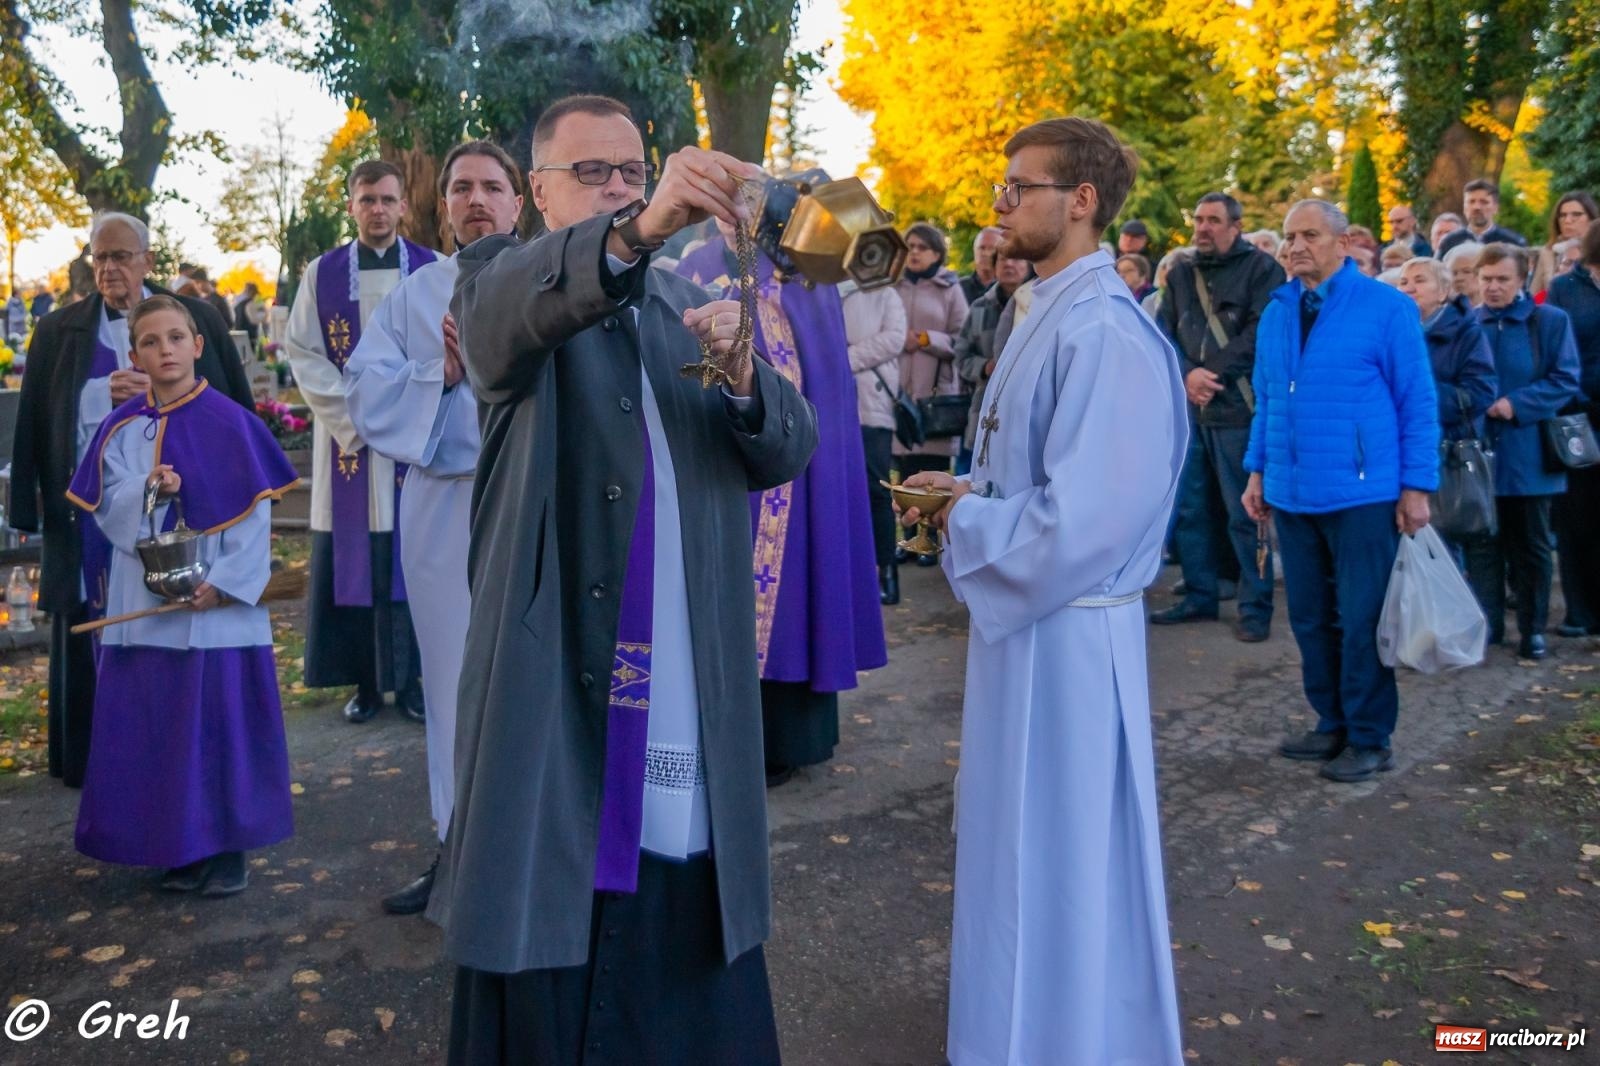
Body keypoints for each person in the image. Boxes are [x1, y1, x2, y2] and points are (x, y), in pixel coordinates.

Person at [432, 94, 816, 1063]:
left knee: (685, 886)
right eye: (591, 174)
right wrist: (636, 229)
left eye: (631, 173)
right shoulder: (497, 280)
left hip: (690, 671)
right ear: (536, 192)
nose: (618, 188)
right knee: (556, 887)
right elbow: (496, 332)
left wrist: (741, 376)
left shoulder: (679, 308)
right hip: (561, 671)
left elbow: (786, 451)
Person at [901, 116, 1185, 1066]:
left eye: (1019, 187)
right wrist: (968, 491)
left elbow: (1087, 517)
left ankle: (1076, 1041)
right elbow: (1036, 476)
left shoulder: (1102, 326)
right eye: (1002, 189)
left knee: (1064, 860)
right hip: (1030, 628)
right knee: (1013, 849)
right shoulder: (1047, 308)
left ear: (1083, 201)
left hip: (1072, 639)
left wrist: (966, 523)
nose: (1001, 204)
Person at [65, 295, 298, 896]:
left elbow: (252, 523)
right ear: (135, 354)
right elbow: (110, 515)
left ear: (197, 345)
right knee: (160, 731)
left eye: (175, 338)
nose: (164, 350)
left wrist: (226, 588)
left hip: (216, 614)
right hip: (144, 614)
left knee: (216, 727)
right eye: (150, 341)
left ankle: (226, 853)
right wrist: (152, 490)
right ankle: (177, 846)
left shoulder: (233, 425)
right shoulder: (121, 430)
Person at [11, 212, 252, 790]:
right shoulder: (61, 331)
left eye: (121, 256)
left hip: (181, 513)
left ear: (148, 259)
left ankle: (162, 764)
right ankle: (92, 760)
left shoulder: (191, 321)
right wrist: (99, 397)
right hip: (91, 515)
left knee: (166, 645)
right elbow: (40, 423)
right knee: (92, 624)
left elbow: (231, 408)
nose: (110, 269)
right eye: (100, 258)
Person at [344, 141, 521, 917]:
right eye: (460, 188)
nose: (476, 199)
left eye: (492, 186)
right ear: (442, 205)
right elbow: (365, 395)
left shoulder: (555, 279)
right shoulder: (415, 298)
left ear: (522, 200)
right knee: (451, 683)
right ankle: (456, 852)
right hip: (446, 506)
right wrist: (439, 376)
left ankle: (542, 851)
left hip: (535, 498)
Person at [677, 227, 887, 788]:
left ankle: (788, 740)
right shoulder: (694, 268)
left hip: (801, 472)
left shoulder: (805, 272)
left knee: (798, 597)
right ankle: (715, 739)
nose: (736, 216)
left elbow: (826, 380)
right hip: (722, 463)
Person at [1243, 200, 1439, 783]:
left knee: (1362, 619)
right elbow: (1269, 400)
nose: (1294, 246)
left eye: (1308, 235)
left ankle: (1370, 736)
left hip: (1362, 494)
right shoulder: (1278, 311)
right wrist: (1258, 471)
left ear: (1343, 242)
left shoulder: (1386, 308)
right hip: (1292, 491)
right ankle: (1330, 722)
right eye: (1287, 236)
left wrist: (1416, 487)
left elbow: (1418, 402)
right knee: (1309, 618)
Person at [285, 159, 437, 724]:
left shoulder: (433, 271)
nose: (377, 210)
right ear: (350, 206)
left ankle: (417, 681)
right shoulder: (320, 276)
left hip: (415, 449)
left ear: (403, 206)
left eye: (387, 200)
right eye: (367, 199)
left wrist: (406, 414)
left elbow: (447, 349)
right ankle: (368, 684)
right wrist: (360, 419)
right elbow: (304, 354)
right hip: (348, 448)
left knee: (415, 561)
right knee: (361, 568)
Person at [1151, 192, 1284, 642]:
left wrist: (1212, 373)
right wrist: (1188, 376)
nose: (1203, 228)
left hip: (1238, 409)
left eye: (1213, 220)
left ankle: (1255, 606)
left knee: (1244, 515)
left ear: (1235, 226)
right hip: (1192, 410)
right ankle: (1200, 596)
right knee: (1191, 511)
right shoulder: (1183, 272)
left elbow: (1260, 332)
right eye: (1199, 220)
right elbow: (1163, 332)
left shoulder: (1263, 270)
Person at [1464, 243, 1582, 659]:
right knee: (1483, 544)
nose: (1493, 287)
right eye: (1486, 279)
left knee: (1530, 543)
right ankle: (1489, 624)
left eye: (1502, 280)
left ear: (1521, 280)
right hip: (1477, 453)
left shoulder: (1548, 321)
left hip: (1528, 449)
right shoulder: (1468, 323)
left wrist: (1518, 404)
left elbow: (1565, 378)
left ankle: (1532, 628)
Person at [1396, 256, 1498, 567]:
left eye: (1420, 280)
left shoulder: (1467, 332)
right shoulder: (1393, 332)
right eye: (1403, 282)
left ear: (1443, 291)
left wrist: (1419, 396)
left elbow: (1480, 393)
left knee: (1442, 553)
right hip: (1396, 454)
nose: (1410, 287)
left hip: (1446, 455)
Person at [893, 221, 969, 546]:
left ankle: (935, 538)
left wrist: (926, 339)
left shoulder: (949, 288)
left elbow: (962, 340)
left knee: (934, 472)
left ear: (937, 252)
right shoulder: (892, 286)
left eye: (922, 247)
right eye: (909, 246)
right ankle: (909, 537)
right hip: (901, 393)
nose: (914, 252)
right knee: (906, 473)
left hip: (935, 392)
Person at [1548, 221, 1600, 636]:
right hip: (1578, 415)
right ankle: (1579, 611)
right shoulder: (1566, 288)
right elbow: (1561, 350)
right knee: (1577, 514)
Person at [842, 277, 908, 604]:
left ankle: (887, 571)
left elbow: (894, 339)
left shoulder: (884, 294)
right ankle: (850, 573)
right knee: (840, 490)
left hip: (872, 404)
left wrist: (845, 359)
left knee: (876, 489)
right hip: (830, 403)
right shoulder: (818, 289)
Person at [954, 253, 1031, 477]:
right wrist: (985, 367)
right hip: (984, 407)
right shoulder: (979, 307)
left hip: (1022, 405)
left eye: (1016, 259)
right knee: (972, 477)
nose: (1008, 264)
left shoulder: (1040, 305)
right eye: (1002, 260)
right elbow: (961, 355)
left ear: (1028, 264)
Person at [1531, 192, 1598, 297]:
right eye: (1562, 215)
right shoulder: (1548, 252)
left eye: (1576, 214)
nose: (1567, 220)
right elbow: (1533, 294)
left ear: (1591, 219)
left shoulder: (1596, 251)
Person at [1438, 179, 1528, 257]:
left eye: (1484, 202)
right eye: (1471, 201)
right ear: (1464, 207)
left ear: (1496, 208)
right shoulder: (1450, 241)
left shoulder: (1512, 242)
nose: (1477, 207)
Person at [960, 226, 1002, 304]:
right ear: (974, 251)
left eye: (992, 248)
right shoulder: (959, 288)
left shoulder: (1009, 288)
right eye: (982, 248)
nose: (986, 253)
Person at [234, 282, 265, 349]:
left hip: (238, 334)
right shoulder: (255, 303)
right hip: (250, 336)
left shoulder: (239, 303)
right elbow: (257, 320)